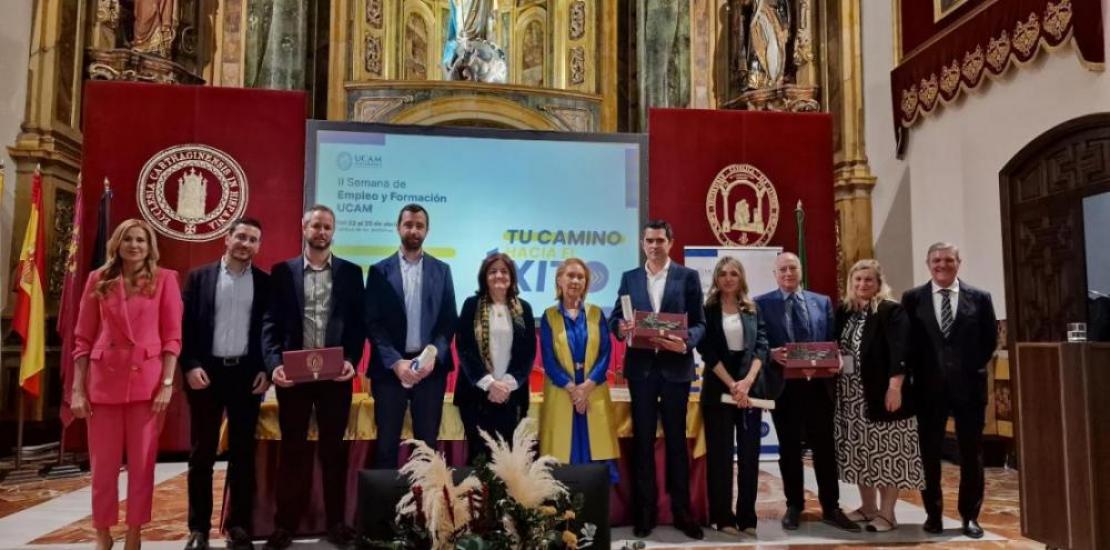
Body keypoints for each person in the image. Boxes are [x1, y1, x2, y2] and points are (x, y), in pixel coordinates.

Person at [70, 219, 183, 550]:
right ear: (117, 244)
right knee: (103, 467)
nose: (134, 245)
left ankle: (135, 532)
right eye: (128, 239)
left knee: (142, 465)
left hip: (147, 387)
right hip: (103, 384)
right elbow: (82, 338)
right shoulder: (98, 280)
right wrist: (78, 389)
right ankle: (102, 531)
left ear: (150, 247)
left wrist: (166, 383)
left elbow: (172, 337)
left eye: (141, 240)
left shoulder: (165, 280)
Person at [261, 205, 364, 550]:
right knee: (293, 452)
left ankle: (336, 523)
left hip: (335, 378)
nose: (321, 232)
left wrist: (351, 359)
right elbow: (270, 324)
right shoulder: (282, 272)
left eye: (327, 227)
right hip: (295, 378)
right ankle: (284, 525)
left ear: (333, 231)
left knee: (333, 452)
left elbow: (357, 325)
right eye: (315, 225)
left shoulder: (351, 273)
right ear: (303, 228)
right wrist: (274, 364)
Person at [609, 220, 705, 540]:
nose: (654, 245)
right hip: (641, 372)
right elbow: (616, 319)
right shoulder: (629, 278)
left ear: (671, 242)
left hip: (676, 370)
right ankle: (645, 513)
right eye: (649, 241)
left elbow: (700, 323)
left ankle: (682, 513)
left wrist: (687, 342)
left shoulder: (687, 277)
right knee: (643, 444)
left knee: (677, 443)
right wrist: (620, 328)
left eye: (660, 240)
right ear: (641, 243)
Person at [181, 218, 270, 550]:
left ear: (259, 246)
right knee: (202, 454)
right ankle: (198, 529)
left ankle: (238, 526)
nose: (246, 244)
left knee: (243, 455)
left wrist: (266, 369)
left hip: (247, 377)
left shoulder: (265, 283)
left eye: (253, 240)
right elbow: (185, 327)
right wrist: (189, 365)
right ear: (227, 238)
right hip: (206, 375)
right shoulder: (200, 278)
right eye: (241, 237)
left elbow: (267, 333)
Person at [754, 252, 859, 532]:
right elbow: (757, 343)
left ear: (800, 271)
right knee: (789, 450)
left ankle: (831, 507)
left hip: (819, 388)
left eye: (793, 268)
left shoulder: (822, 301)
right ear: (775, 274)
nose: (788, 273)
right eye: (783, 269)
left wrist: (836, 357)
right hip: (785, 389)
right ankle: (794, 505)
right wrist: (771, 353)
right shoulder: (761, 304)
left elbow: (832, 340)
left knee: (825, 449)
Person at [902, 242, 997, 539]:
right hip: (928, 390)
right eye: (936, 260)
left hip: (969, 389)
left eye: (947, 260)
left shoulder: (980, 298)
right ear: (928, 264)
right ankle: (933, 514)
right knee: (928, 454)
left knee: (971, 454)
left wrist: (964, 368)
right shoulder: (913, 298)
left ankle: (970, 516)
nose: (941, 265)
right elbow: (908, 342)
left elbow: (989, 340)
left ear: (959, 262)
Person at [834, 259, 925, 533]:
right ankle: (868, 506)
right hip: (850, 396)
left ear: (878, 283)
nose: (862, 285)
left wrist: (894, 387)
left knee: (887, 453)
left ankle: (888, 514)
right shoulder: (844, 312)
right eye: (858, 280)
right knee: (862, 453)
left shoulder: (890, 310)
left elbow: (901, 351)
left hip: (881, 393)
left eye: (868, 280)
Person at [365, 204, 458, 468]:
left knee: (427, 446)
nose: (413, 230)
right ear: (398, 228)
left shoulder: (442, 271)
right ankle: (387, 509)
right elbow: (373, 323)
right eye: (408, 224)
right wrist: (396, 362)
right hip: (390, 372)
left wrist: (432, 355)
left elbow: (448, 320)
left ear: (427, 230)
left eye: (419, 225)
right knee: (386, 446)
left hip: (430, 371)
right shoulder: (379, 271)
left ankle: (424, 508)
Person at [696, 257, 772, 537]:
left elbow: (762, 346)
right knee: (721, 457)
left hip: (750, 391)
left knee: (750, 457)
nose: (728, 278)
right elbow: (707, 351)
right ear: (716, 278)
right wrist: (732, 385)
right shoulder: (707, 310)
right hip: (719, 390)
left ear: (741, 278)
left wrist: (748, 382)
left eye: (734, 274)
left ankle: (748, 518)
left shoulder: (753, 309)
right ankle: (723, 516)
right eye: (723, 274)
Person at [538, 258, 620, 476]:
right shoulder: (548, 316)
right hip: (563, 395)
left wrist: (586, 387)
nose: (575, 280)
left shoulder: (596, 314)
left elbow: (605, 353)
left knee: (597, 463)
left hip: (593, 394)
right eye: (570, 275)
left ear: (586, 283)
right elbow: (548, 359)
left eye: (580, 277)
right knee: (562, 463)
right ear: (559, 280)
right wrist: (574, 390)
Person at [455, 252, 536, 463]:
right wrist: (490, 384)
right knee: (479, 458)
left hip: (512, 396)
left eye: (504, 271)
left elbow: (527, 353)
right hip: (476, 395)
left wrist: (505, 385)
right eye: (493, 271)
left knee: (509, 460)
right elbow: (464, 348)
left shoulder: (523, 308)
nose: (499, 275)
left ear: (512, 277)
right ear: (484, 277)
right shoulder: (471, 305)